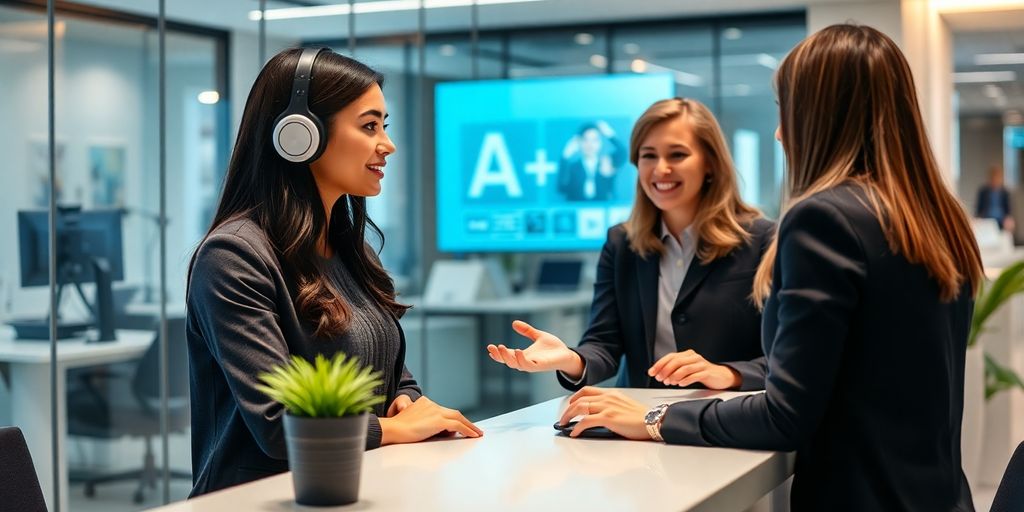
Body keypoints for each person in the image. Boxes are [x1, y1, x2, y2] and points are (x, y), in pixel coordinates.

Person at [558, 24, 982, 511]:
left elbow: (786, 415)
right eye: (648, 156)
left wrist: (654, 419)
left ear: (819, 114)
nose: (780, 131)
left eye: (786, 110)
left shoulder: (821, 219)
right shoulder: (938, 217)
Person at [186, 47, 481, 497]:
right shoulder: (233, 256)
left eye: (385, 126)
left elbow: (392, 374)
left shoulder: (352, 251)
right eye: (369, 126)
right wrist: (394, 429)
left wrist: (409, 402)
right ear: (300, 135)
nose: (388, 144)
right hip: (261, 500)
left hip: (355, 489)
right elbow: (276, 423)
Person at [488, 98, 774, 393]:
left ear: (710, 163)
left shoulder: (763, 240)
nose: (661, 169)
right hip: (638, 419)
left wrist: (726, 374)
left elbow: (784, 359)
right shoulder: (621, 243)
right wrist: (570, 359)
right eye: (648, 155)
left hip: (729, 417)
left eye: (677, 154)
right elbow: (604, 344)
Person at [556, 121, 626, 201]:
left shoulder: (607, 162)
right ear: (579, 142)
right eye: (586, 140)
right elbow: (561, 188)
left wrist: (610, 135)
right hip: (579, 210)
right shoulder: (573, 167)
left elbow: (623, 152)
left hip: (604, 210)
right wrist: (565, 155)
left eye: (594, 140)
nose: (590, 144)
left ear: (600, 143)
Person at [976, 163, 1013, 232]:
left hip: (1001, 220)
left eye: (997, 177)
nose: (995, 180)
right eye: (993, 177)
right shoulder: (983, 192)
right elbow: (979, 209)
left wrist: (1008, 219)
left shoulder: (1005, 193)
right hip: (987, 219)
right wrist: (978, 219)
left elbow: (1008, 211)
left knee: (1009, 223)